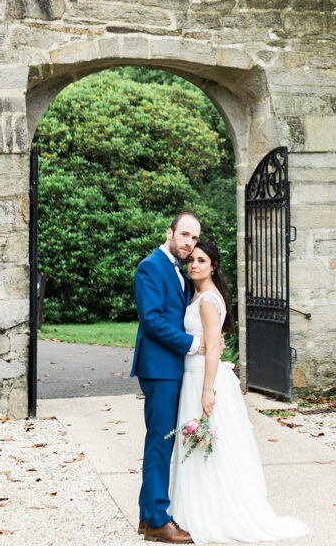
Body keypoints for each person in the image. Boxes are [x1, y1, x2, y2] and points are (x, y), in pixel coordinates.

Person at [170, 240, 309, 544]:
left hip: (204, 380)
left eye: (202, 260)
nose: (194, 265)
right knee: (204, 447)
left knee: (210, 447)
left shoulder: (207, 300)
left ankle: (214, 514)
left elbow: (212, 352)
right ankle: (199, 509)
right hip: (195, 376)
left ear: (213, 266)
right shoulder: (194, 294)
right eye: (191, 259)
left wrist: (207, 391)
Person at [131, 211, 204, 544]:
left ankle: (148, 517)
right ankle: (159, 520)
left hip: (171, 367)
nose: (189, 243)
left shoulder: (179, 270)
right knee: (161, 443)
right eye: (184, 235)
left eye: (194, 238)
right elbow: (152, 321)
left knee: (161, 441)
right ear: (170, 232)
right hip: (160, 369)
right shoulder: (150, 266)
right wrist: (192, 343)